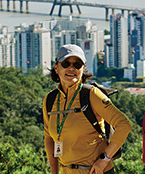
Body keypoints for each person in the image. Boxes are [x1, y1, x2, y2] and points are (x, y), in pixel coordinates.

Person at [43, 44, 131, 174]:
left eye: (77, 65)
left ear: (83, 69)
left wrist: (105, 159)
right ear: (56, 67)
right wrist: (54, 172)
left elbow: (124, 124)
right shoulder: (50, 100)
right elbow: (49, 138)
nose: (71, 68)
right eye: (66, 63)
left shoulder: (91, 94)